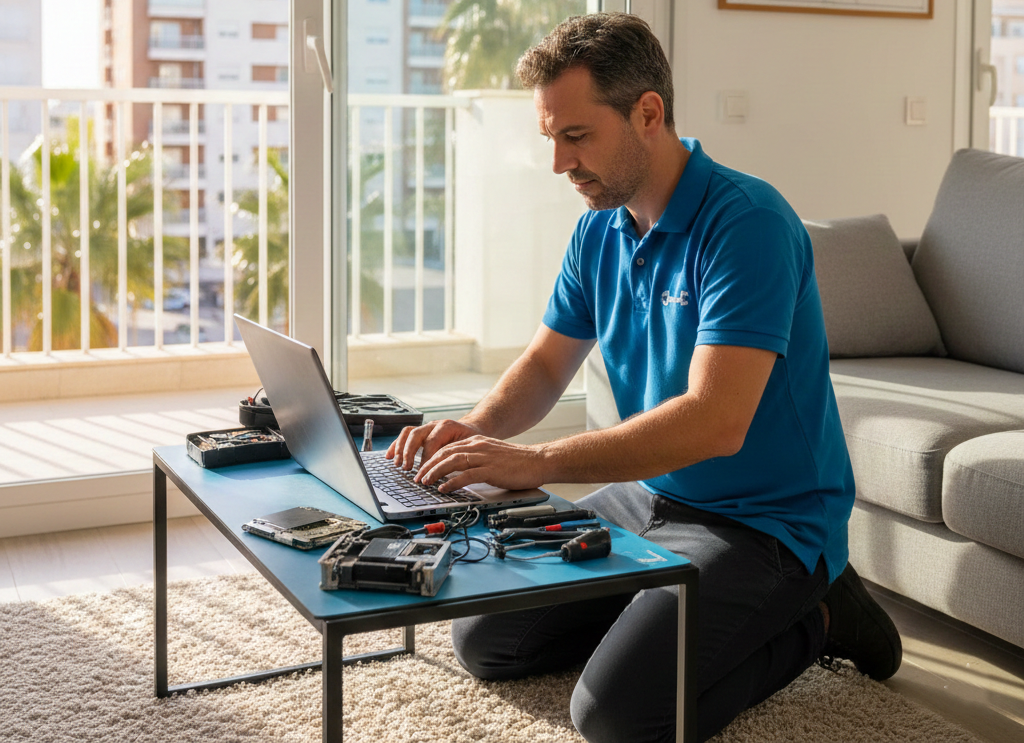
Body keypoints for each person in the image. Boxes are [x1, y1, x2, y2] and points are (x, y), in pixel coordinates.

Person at [385, 12, 902, 742]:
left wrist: (536, 462)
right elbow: (542, 364)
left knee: (617, 716)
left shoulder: (747, 224)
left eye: (576, 136)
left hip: (765, 524)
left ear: (648, 114)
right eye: (551, 140)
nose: (560, 164)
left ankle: (817, 616)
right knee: (486, 639)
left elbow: (716, 420)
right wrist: (471, 432)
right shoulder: (600, 224)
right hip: (651, 494)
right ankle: (653, 612)